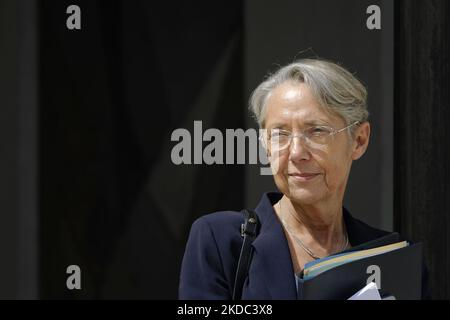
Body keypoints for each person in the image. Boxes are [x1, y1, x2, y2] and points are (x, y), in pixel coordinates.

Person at [178, 58, 430, 299]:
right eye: (280, 134)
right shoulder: (220, 241)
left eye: (317, 131)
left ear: (359, 140)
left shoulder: (392, 261)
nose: (297, 153)